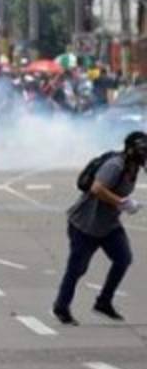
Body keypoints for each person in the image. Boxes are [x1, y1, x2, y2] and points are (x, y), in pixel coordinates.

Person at [53, 131, 147, 325]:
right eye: (143, 151)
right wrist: (122, 202)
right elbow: (97, 188)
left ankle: (103, 302)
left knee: (123, 259)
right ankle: (61, 307)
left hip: (109, 225)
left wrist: (125, 204)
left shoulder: (134, 169)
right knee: (77, 269)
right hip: (85, 224)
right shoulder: (115, 165)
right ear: (131, 150)